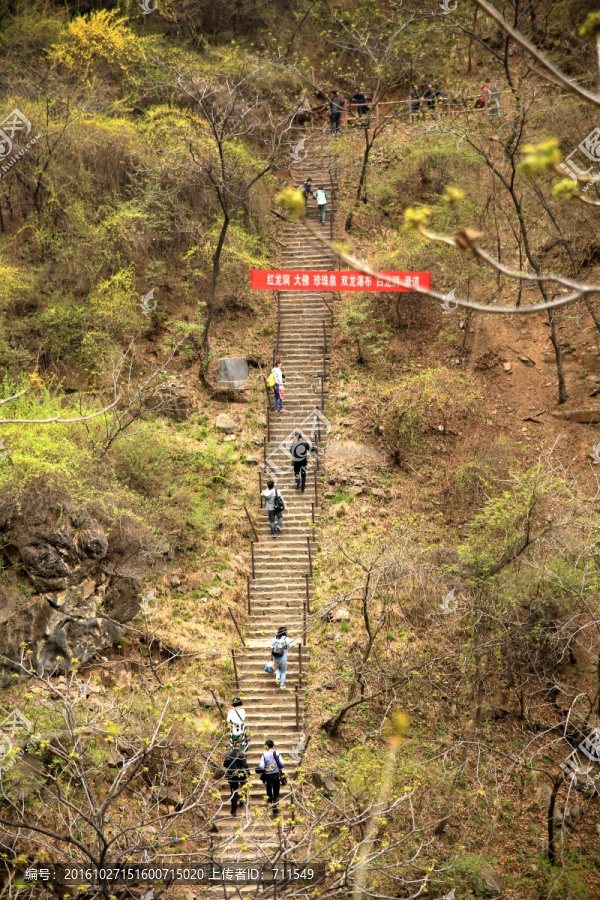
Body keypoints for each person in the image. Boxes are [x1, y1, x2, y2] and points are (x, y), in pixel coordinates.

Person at [257, 739, 285, 816]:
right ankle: (275, 809)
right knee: (276, 792)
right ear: (273, 746)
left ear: (266, 747)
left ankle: (269, 799)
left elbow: (261, 766)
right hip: (276, 776)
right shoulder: (277, 753)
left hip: (268, 776)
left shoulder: (264, 755)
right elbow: (282, 764)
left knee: (268, 788)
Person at [224, 737, 250, 817]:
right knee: (244, 786)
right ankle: (242, 800)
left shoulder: (228, 754)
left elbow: (225, 764)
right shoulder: (241, 754)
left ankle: (233, 811)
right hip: (240, 774)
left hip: (232, 775)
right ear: (239, 746)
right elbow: (245, 765)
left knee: (233, 793)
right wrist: (248, 773)